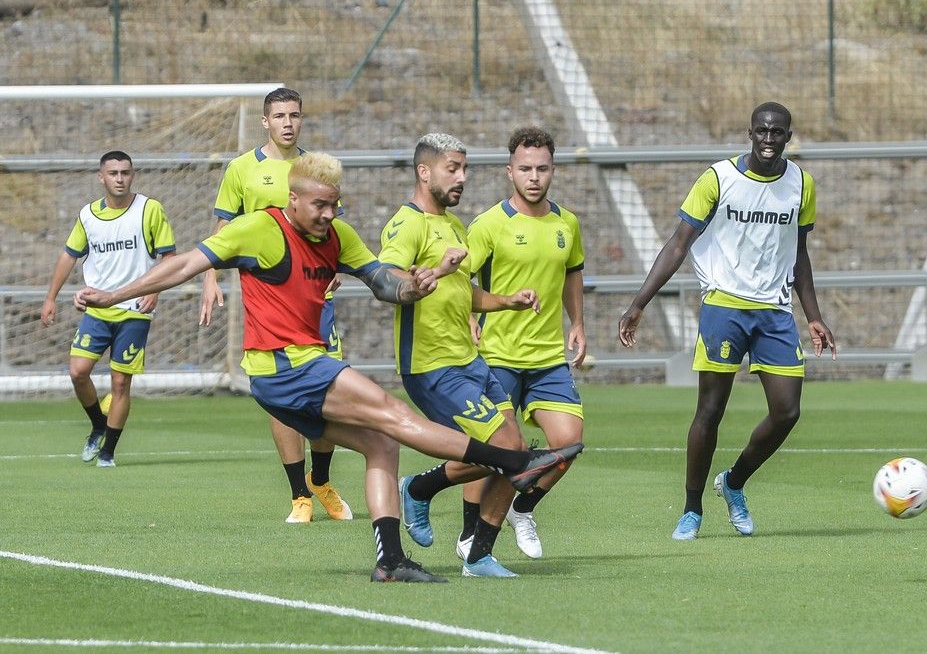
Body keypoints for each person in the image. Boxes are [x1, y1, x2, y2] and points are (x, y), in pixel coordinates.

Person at [75, 152, 583, 582]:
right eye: (318, 204)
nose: (327, 214)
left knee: (380, 443)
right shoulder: (259, 228)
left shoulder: (338, 234)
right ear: (293, 199)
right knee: (391, 414)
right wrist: (115, 295)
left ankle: (390, 560)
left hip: (294, 374)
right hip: (286, 368)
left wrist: (415, 286)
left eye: (334, 204)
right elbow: (186, 263)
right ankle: (515, 463)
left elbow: (383, 283)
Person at [618, 102, 836, 540]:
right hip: (724, 305)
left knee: (787, 411)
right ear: (750, 133)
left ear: (789, 136)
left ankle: (733, 482)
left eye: (777, 132)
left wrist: (814, 316)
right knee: (710, 410)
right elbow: (678, 244)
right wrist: (639, 303)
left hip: (774, 310)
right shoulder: (718, 178)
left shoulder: (801, 184)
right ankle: (691, 509)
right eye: (762, 131)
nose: (769, 139)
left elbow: (799, 253)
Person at [381, 134, 545, 578]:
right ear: (424, 172)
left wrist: (506, 301)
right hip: (432, 366)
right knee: (507, 449)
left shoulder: (453, 224)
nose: (462, 177)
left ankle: (476, 551)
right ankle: (422, 492)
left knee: (515, 451)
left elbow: (461, 290)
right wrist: (433, 271)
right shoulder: (407, 223)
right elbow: (388, 279)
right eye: (452, 168)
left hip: (470, 360)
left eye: (465, 169)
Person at [199, 87, 351, 525]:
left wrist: (336, 265)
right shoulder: (242, 169)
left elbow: (333, 225)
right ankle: (299, 494)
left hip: (316, 299)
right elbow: (222, 228)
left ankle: (322, 480)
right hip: (271, 303)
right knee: (283, 395)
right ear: (265, 121)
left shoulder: (315, 169)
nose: (288, 123)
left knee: (329, 389)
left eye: (295, 115)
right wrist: (210, 277)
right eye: (280, 116)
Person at [463, 126, 586, 560]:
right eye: (525, 169)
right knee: (492, 450)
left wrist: (577, 323)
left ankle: (522, 508)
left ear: (553, 170)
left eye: (542, 169)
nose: (534, 177)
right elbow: (460, 280)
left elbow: (572, 272)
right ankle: (469, 533)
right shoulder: (488, 224)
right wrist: (469, 319)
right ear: (509, 171)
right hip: (497, 355)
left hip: (548, 357)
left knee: (569, 442)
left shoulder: (567, 223)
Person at [40, 151, 176, 468]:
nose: (119, 179)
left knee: (120, 383)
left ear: (132, 175)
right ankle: (98, 425)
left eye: (125, 173)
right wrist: (50, 298)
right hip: (97, 310)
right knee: (78, 372)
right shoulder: (88, 215)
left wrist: (154, 291)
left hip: (134, 310)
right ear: (101, 177)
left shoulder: (149, 209)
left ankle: (108, 453)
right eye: (113, 173)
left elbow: (169, 258)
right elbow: (69, 255)